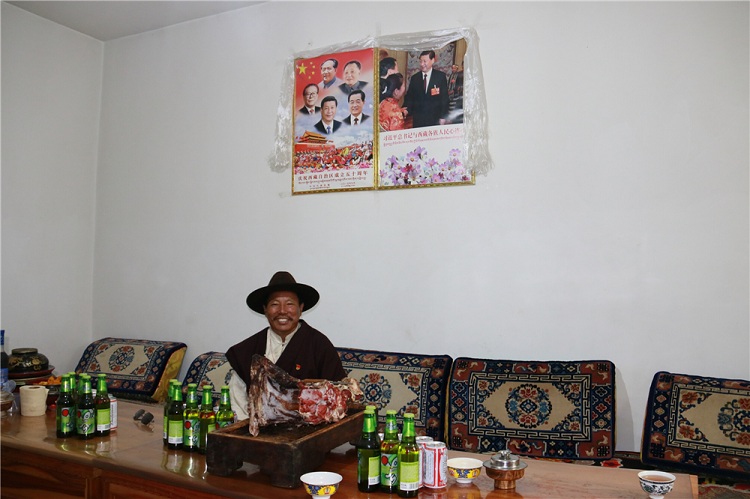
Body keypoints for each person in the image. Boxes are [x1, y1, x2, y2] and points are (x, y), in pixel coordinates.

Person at [226, 271, 347, 421]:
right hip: (256, 429)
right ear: (265, 310)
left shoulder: (319, 345)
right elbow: (237, 402)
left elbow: (338, 397)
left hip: (309, 431)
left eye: (290, 304)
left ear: (300, 308)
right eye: (274, 304)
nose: (282, 311)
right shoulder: (247, 350)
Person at [403, 50, 449, 128]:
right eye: (420, 61)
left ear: (432, 60)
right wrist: (406, 110)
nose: (422, 64)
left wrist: (443, 117)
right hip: (418, 119)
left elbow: (444, 99)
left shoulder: (440, 77)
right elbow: (410, 97)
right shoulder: (415, 78)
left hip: (435, 119)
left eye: (425, 61)